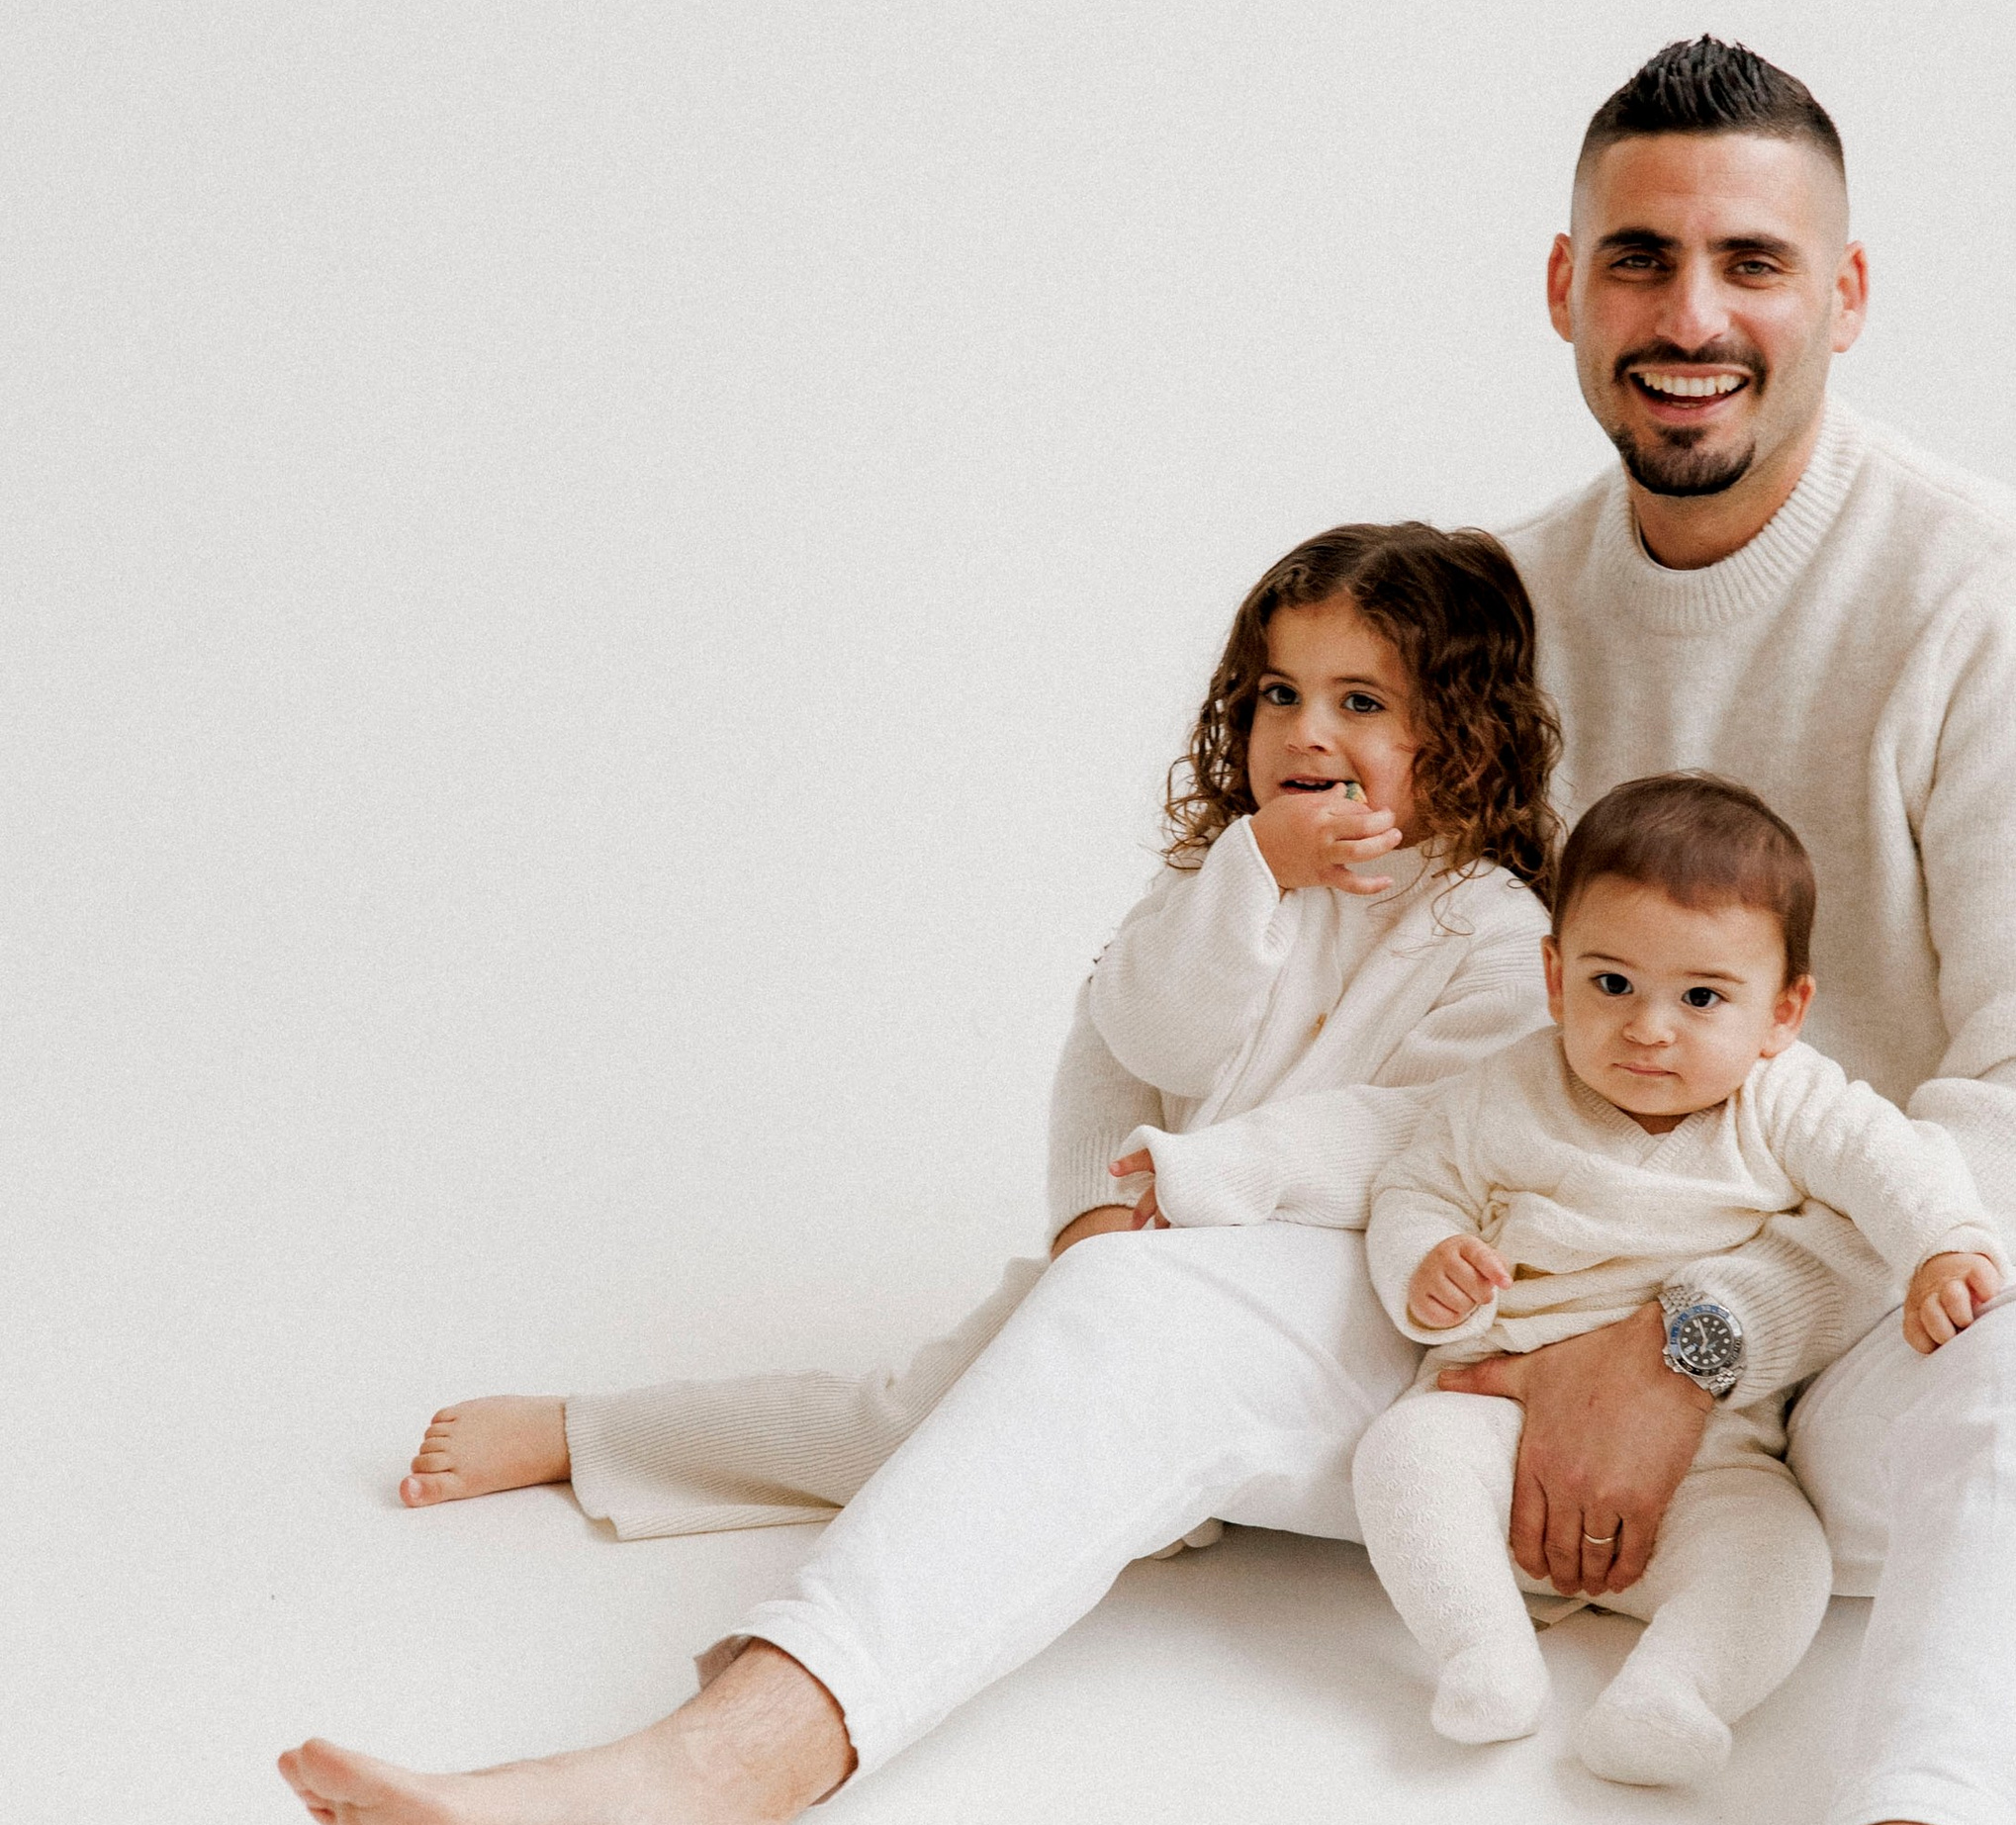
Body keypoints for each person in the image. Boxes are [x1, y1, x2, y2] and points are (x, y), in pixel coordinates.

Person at [285, 33, 2016, 1825]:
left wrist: (1692, 1346)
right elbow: (1341, 1007)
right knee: (1146, 1302)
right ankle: (702, 1785)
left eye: (1752, 262)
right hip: (1494, 1278)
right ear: (1559, 286)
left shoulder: (2001, 605)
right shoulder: (1495, 606)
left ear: (1842, 296)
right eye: (1638, 259)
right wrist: (1219, 1197)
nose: (1689, 315)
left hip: (1839, 1311)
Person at [391, 520, 1555, 1548]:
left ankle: (1151, 1471)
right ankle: (593, 1435)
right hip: (1136, 1259)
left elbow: (1419, 1144)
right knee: (918, 1415)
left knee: (1076, 1428)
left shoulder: (1492, 930)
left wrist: (1200, 1196)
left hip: (1325, 1305)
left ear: (1463, 736)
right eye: (1277, 694)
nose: (1306, 733)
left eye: (1361, 703)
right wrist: (1248, 876)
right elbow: (1148, 1037)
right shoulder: (1223, 875)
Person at [1345, 771, 2001, 1779]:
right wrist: (1424, 1260)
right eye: (1612, 985)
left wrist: (1942, 1243)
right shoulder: (1502, 1092)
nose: (1649, 1027)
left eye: (1701, 997)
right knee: (1403, 1454)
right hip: (1502, 1411)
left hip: (1708, 1451)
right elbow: (1413, 1186)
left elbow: (1890, 1160)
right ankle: (1481, 1649)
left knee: (1783, 1557)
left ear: (1784, 1010)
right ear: (1555, 977)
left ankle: (1670, 1696)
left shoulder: (1781, 1100)